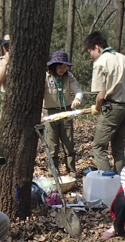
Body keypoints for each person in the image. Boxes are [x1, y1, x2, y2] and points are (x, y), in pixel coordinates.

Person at [83, 31, 125, 174]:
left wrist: (97, 108)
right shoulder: (124, 59)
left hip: (112, 108)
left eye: (90, 52)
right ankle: (122, 181)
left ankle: (107, 179)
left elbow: (101, 96)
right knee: (118, 148)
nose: (90, 56)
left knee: (99, 147)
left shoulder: (100, 62)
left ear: (97, 47)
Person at [43, 50, 83, 178]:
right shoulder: (46, 76)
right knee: (52, 145)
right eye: (60, 66)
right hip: (49, 112)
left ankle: (71, 171)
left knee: (68, 143)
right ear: (54, 65)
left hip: (66, 111)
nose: (63, 69)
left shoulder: (69, 77)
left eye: (65, 66)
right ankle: (53, 172)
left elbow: (78, 91)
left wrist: (77, 99)